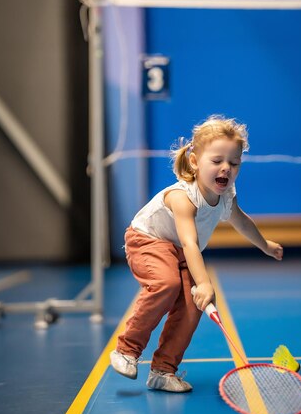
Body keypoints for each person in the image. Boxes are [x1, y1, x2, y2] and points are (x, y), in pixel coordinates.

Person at [110, 114, 283, 392]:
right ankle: (127, 350)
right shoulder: (182, 197)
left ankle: (163, 371)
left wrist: (264, 244)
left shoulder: (227, 195)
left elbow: (240, 219)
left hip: (179, 250)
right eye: (217, 161)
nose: (226, 168)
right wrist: (203, 283)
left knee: (193, 307)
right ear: (194, 161)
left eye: (234, 163)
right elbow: (190, 243)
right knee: (166, 283)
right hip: (148, 240)